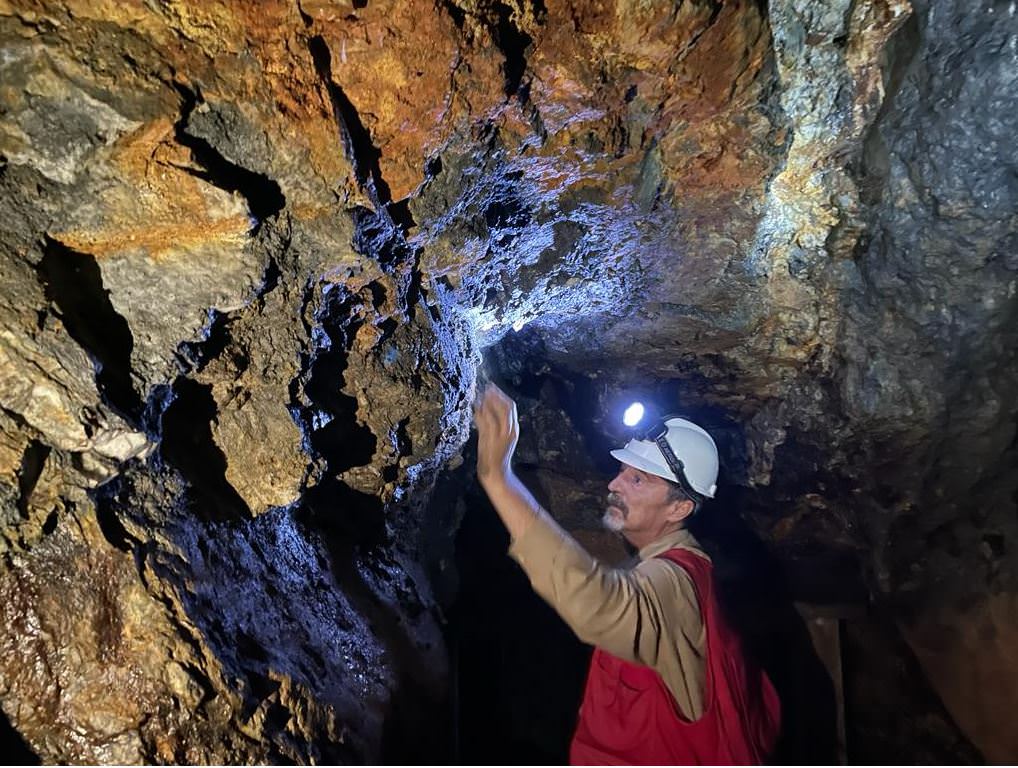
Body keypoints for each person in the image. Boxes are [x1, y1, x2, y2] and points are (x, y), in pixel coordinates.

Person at [473, 384, 780, 765]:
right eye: (622, 470)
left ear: (679, 508)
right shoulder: (671, 568)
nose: (614, 484)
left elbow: (597, 604)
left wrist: (500, 479)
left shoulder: (675, 584)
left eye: (638, 480)